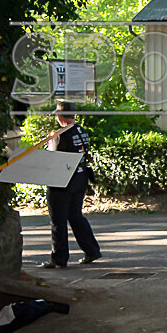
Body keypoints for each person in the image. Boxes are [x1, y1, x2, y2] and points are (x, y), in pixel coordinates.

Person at [39, 101, 102, 269]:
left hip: (62, 180)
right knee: (75, 215)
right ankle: (92, 250)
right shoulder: (82, 131)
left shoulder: (59, 135)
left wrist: (50, 145)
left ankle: (59, 259)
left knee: (58, 220)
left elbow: (54, 158)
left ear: (60, 116)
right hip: (80, 178)